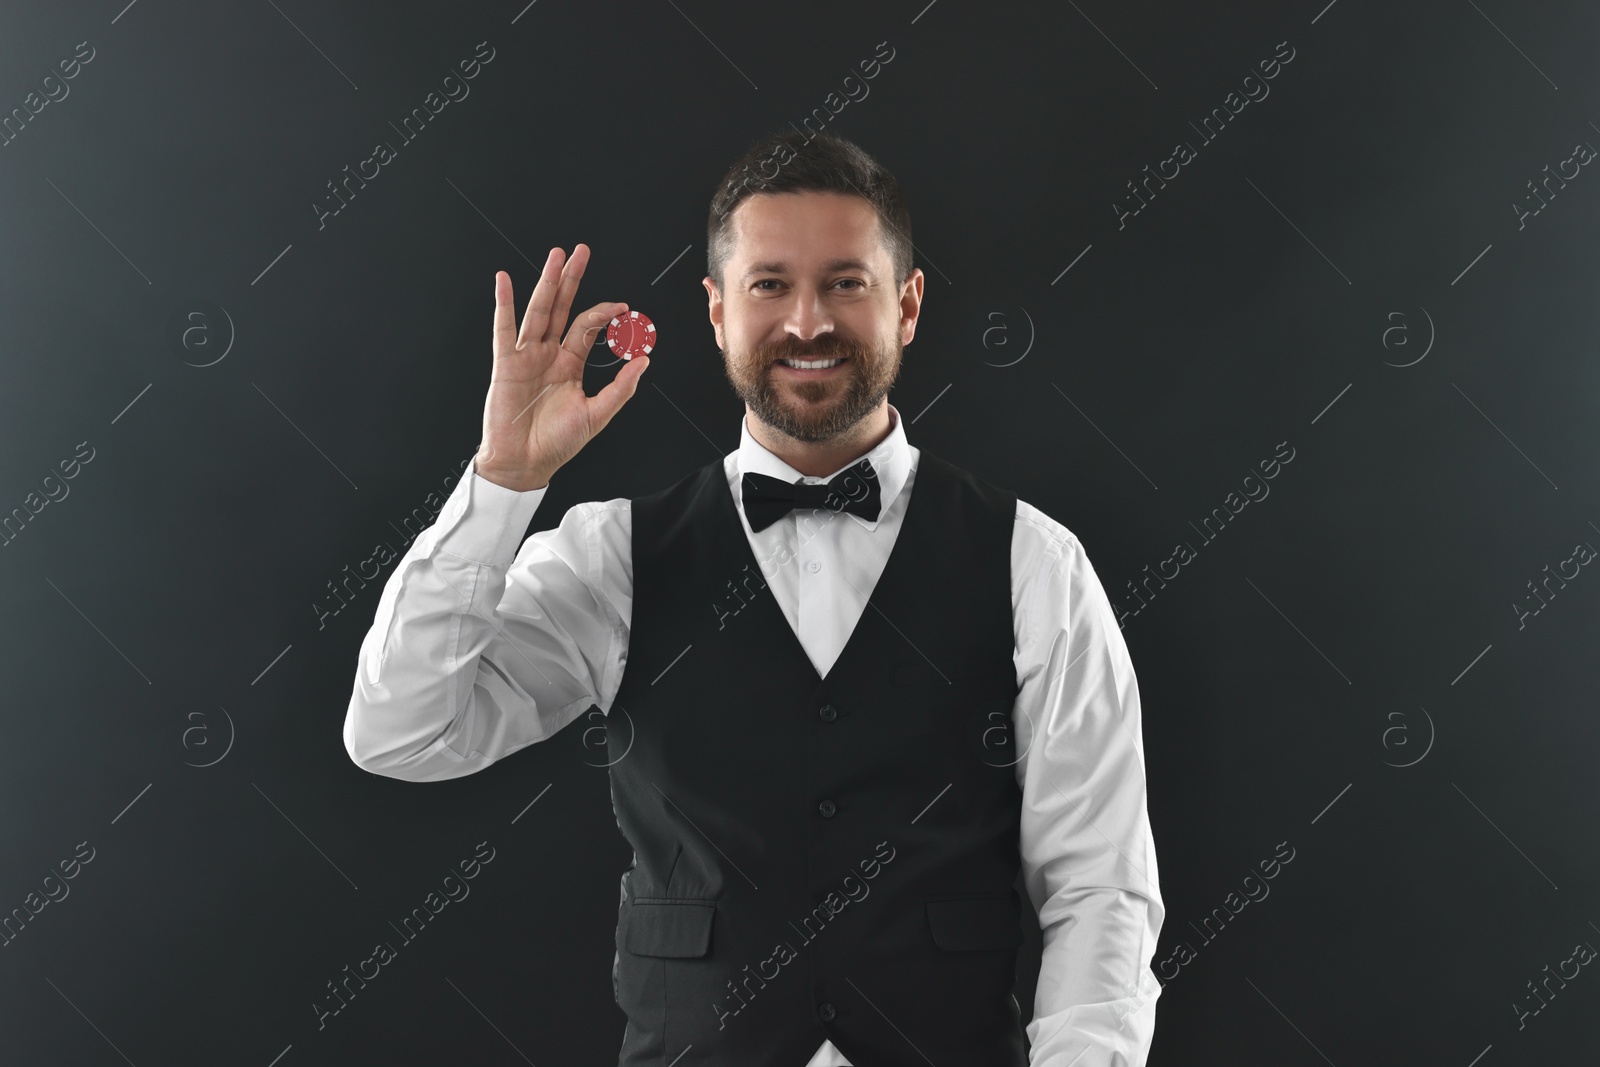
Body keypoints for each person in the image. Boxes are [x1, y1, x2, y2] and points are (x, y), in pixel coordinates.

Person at [343, 129, 1164, 1066]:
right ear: (718, 311)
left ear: (907, 305)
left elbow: (1101, 886)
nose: (807, 322)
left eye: (846, 282)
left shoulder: (1035, 564)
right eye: (769, 284)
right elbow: (399, 732)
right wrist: (502, 484)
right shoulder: (614, 557)